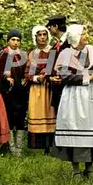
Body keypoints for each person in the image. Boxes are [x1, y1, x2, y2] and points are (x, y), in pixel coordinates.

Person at [54, 25, 93, 179]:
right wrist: (92, 75)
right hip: (73, 96)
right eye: (83, 33)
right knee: (74, 128)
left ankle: (89, 168)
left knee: (92, 128)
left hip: (92, 94)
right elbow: (65, 77)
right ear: (75, 37)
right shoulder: (65, 54)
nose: (86, 35)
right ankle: (76, 170)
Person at [25, 25, 56, 153]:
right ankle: (39, 145)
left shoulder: (53, 51)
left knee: (50, 112)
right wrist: (37, 78)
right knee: (38, 113)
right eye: (39, 35)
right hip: (37, 88)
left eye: (44, 34)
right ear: (35, 37)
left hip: (50, 87)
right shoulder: (32, 54)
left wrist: (50, 75)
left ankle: (51, 146)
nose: (42, 37)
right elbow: (27, 73)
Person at [0, 29, 29, 156]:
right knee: (9, 118)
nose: (15, 43)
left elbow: (27, 71)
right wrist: (5, 79)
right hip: (7, 92)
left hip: (20, 91)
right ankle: (11, 147)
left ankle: (19, 148)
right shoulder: (2, 54)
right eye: (13, 40)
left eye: (18, 40)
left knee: (20, 119)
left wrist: (25, 79)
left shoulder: (23, 55)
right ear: (8, 41)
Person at [46, 15, 69, 118]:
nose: (49, 29)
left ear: (55, 26)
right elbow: (49, 68)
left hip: (68, 88)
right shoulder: (55, 46)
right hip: (56, 89)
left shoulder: (70, 44)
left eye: (49, 27)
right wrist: (49, 77)